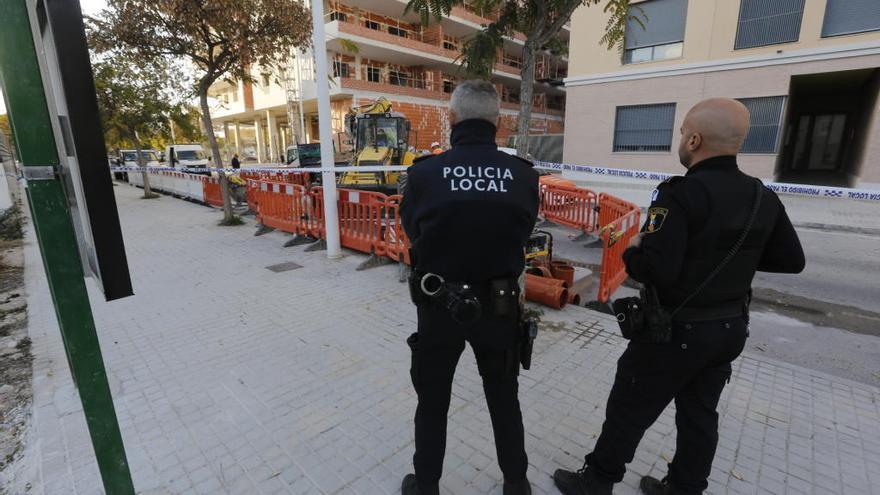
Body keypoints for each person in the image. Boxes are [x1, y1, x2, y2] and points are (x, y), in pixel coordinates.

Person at [553, 98, 805, 495]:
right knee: (700, 413)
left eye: (682, 133)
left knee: (629, 407)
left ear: (694, 138)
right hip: (728, 329)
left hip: (674, 331)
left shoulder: (681, 194)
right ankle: (685, 488)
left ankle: (597, 481)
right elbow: (792, 260)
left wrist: (634, 248)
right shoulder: (763, 197)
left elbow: (655, 270)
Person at [399, 80, 540, 495]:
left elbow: (413, 232)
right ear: (498, 122)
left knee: (433, 400)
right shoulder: (522, 175)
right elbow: (523, 231)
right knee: (503, 397)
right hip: (499, 306)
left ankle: (426, 485)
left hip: (439, 305)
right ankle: (516, 484)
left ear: (452, 117)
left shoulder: (424, 174)